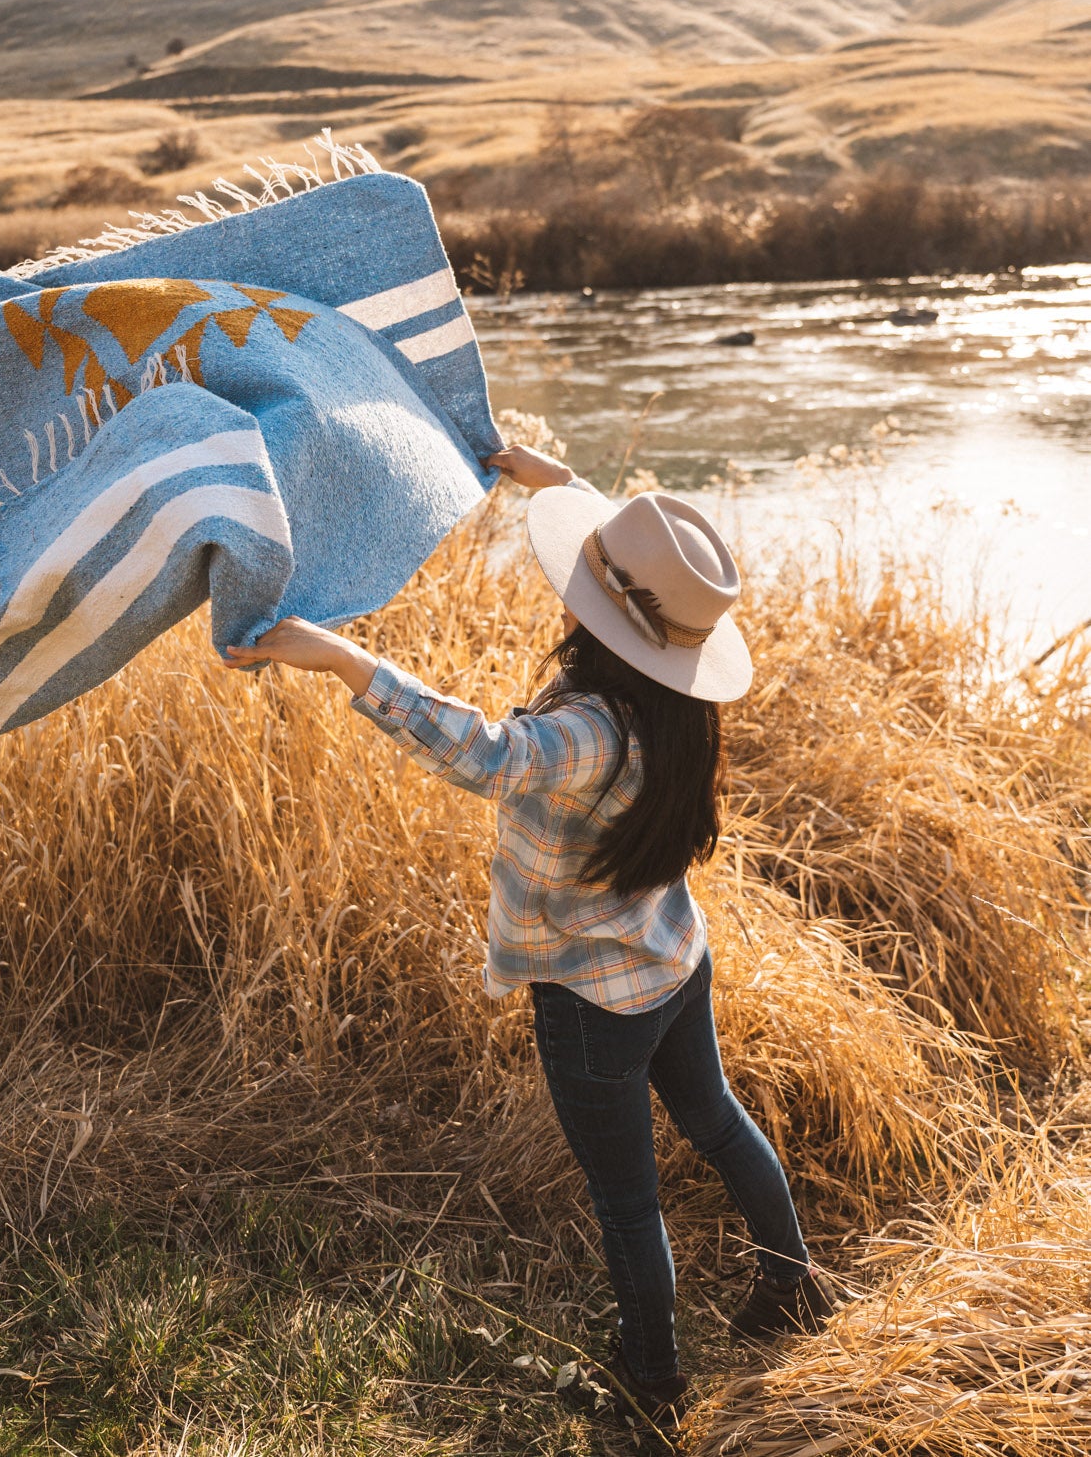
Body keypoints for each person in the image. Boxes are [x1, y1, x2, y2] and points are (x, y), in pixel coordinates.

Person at [223, 442, 833, 1427]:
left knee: (627, 1201)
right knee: (714, 1117)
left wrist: (341, 656)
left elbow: (489, 754)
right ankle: (791, 1282)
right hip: (674, 954)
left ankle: (651, 1383)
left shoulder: (593, 726)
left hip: (594, 999)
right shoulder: (677, 704)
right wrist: (544, 477)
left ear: (601, 618)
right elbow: (638, 574)